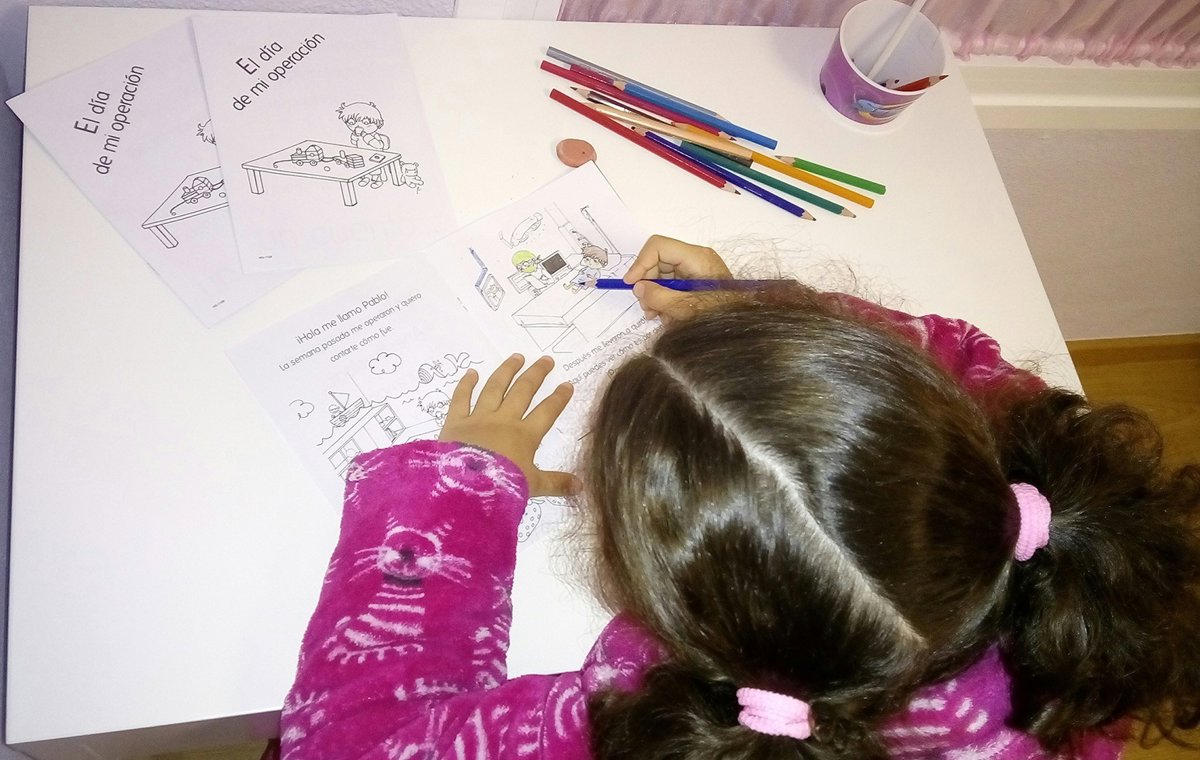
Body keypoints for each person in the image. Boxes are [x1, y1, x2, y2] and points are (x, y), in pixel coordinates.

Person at [278, 236, 1200, 759]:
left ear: (687, 605)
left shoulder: (646, 704)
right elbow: (958, 351)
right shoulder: (1064, 567)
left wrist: (460, 487)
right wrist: (747, 317)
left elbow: (352, 743)